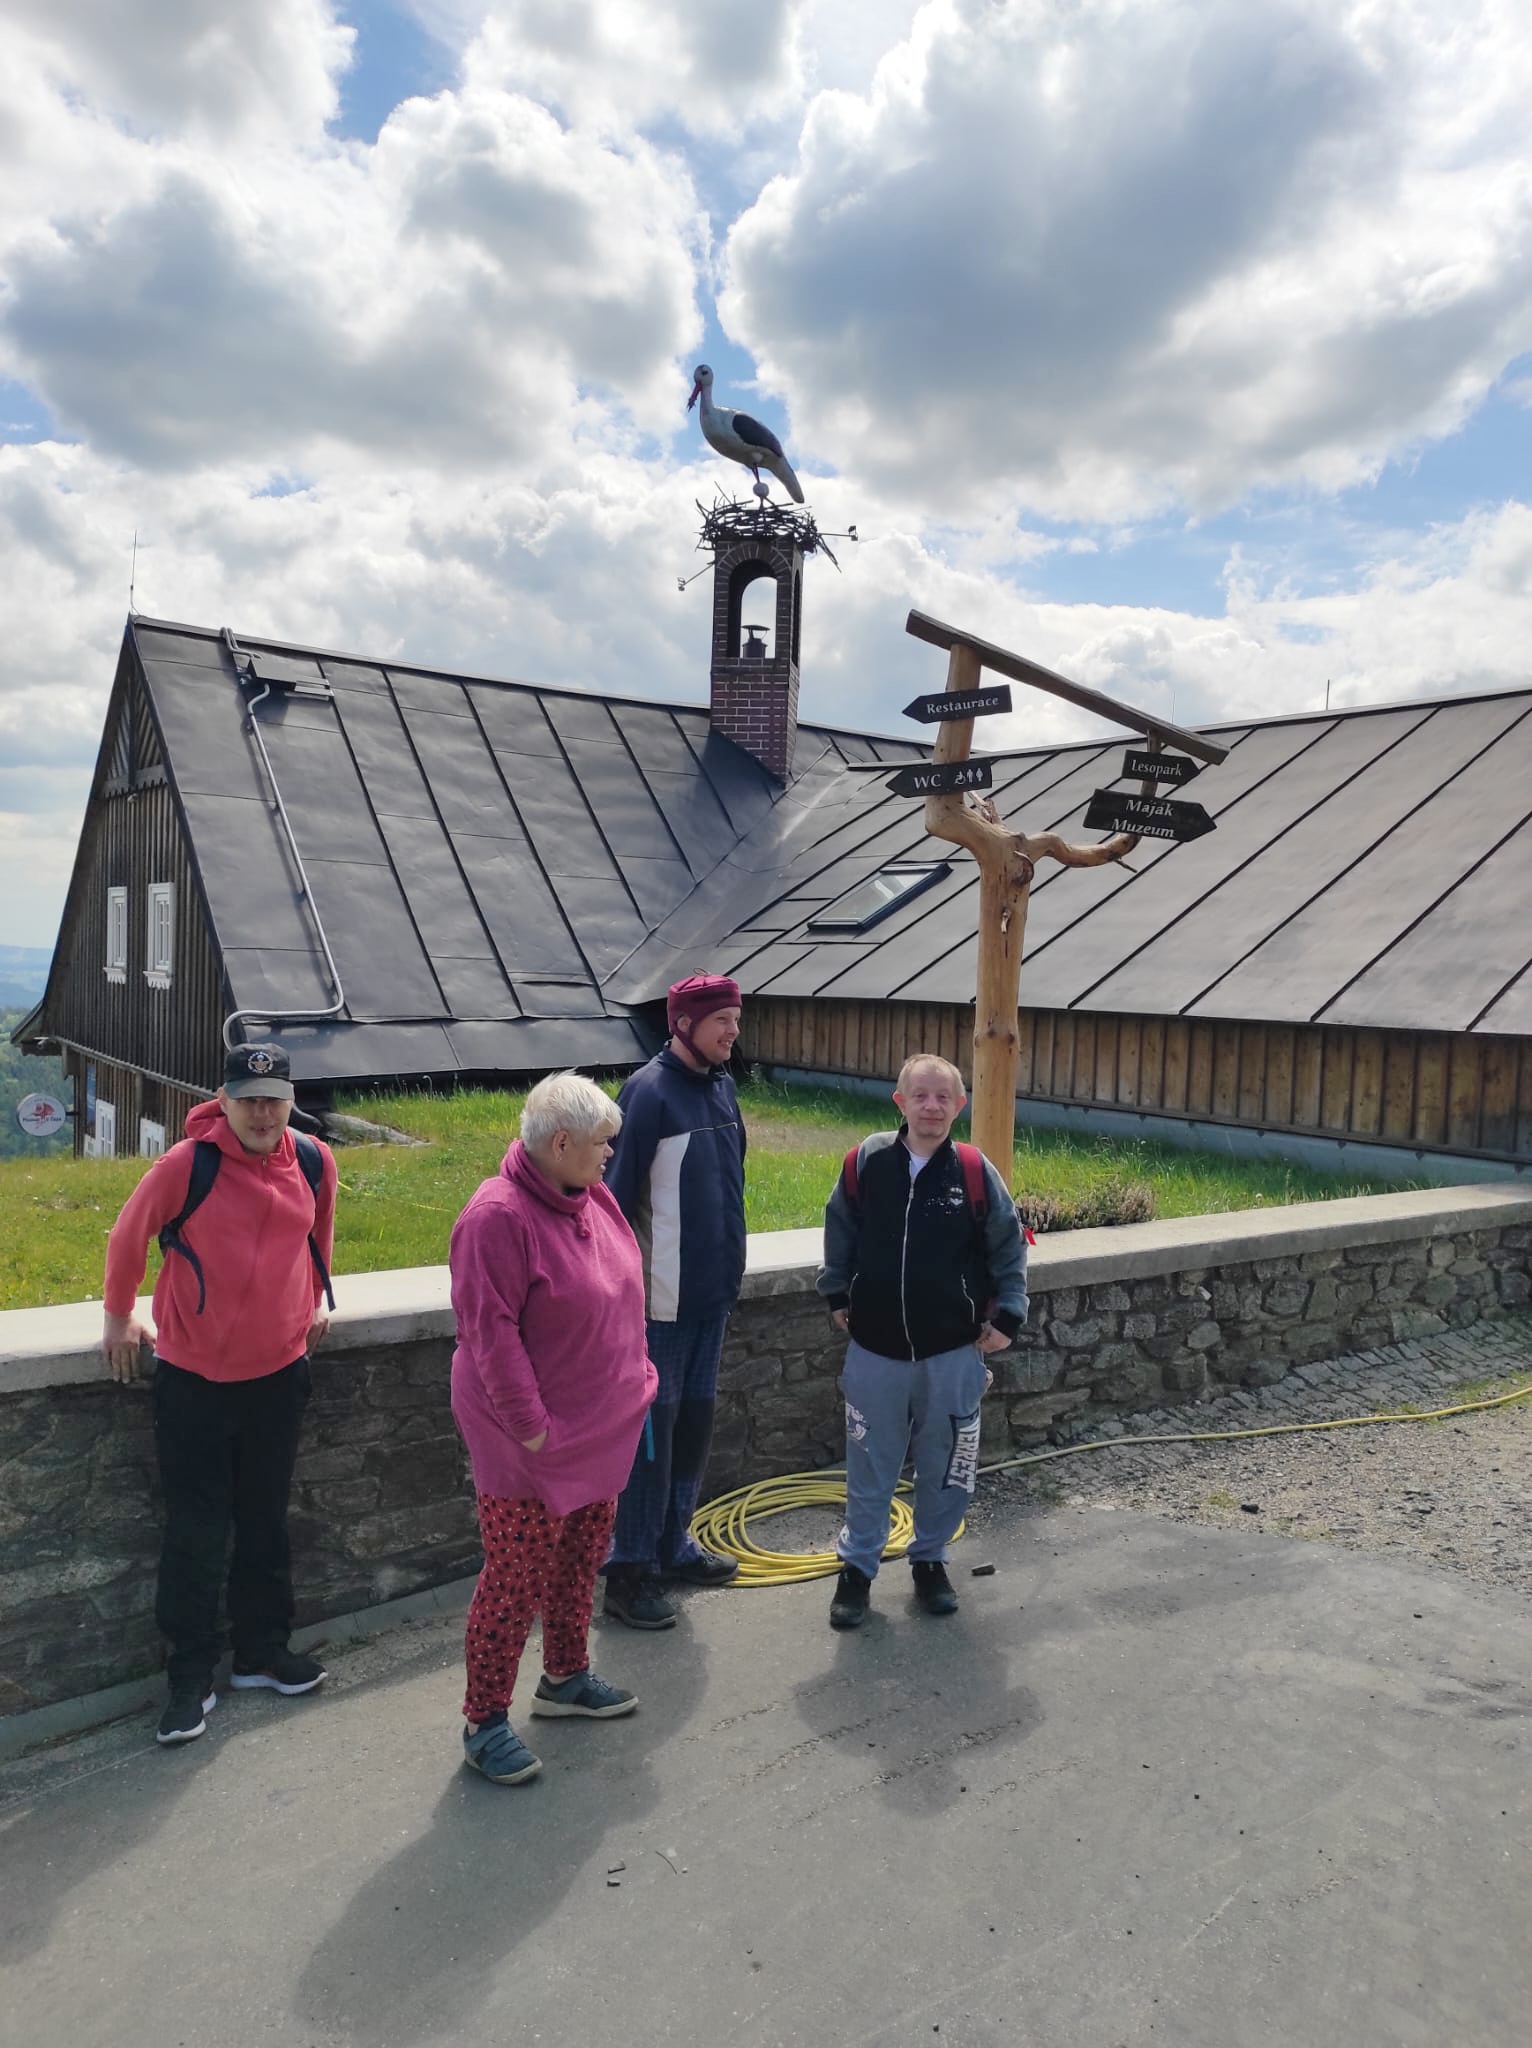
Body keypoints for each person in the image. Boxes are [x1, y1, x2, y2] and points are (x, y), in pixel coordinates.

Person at [101, 1043, 337, 1746]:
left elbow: (318, 1231)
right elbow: (128, 1235)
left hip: (278, 1374)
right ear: (224, 1100)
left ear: (290, 1100)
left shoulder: (315, 1160)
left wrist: (317, 1298)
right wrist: (118, 1317)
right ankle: (190, 1678)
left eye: (274, 1100)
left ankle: (262, 1654)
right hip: (195, 1380)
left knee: (265, 1523)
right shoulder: (188, 1164)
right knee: (196, 1533)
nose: (262, 1114)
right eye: (248, 1100)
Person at [448, 1071, 657, 1786]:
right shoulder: (496, 1217)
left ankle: (565, 1678)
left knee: (579, 1558)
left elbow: (623, 1288)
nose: (612, 1154)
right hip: (530, 1441)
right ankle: (484, 1721)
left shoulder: (591, 1193)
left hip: (598, 1429)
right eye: (602, 1142)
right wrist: (531, 1429)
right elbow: (490, 1334)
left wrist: (636, 1375)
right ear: (560, 1143)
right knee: (515, 1578)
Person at [816, 1052, 1028, 1630]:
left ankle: (930, 1560)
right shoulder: (866, 1162)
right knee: (869, 1468)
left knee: (948, 1466)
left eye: (943, 1097)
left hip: (953, 1352)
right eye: (920, 1095)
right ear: (900, 1102)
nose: (931, 1106)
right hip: (875, 1351)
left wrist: (1010, 1314)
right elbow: (840, 1228)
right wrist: (836, 1293)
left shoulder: (974, 1171)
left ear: (959, 1105)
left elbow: (1008, 1247)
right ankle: (857, 1570)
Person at [600, 973, 748, 1629]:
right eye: (722, 1021)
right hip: (658, 1308)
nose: (733, 1032)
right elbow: (610, 1199)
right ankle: (628, 1573)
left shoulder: (722, 1086)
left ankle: (674, 1544)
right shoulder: (648, 1093)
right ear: (684, 1024)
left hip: (712, 1298)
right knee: (650, 1445)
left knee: (691, 1431)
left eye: (736, 1020)